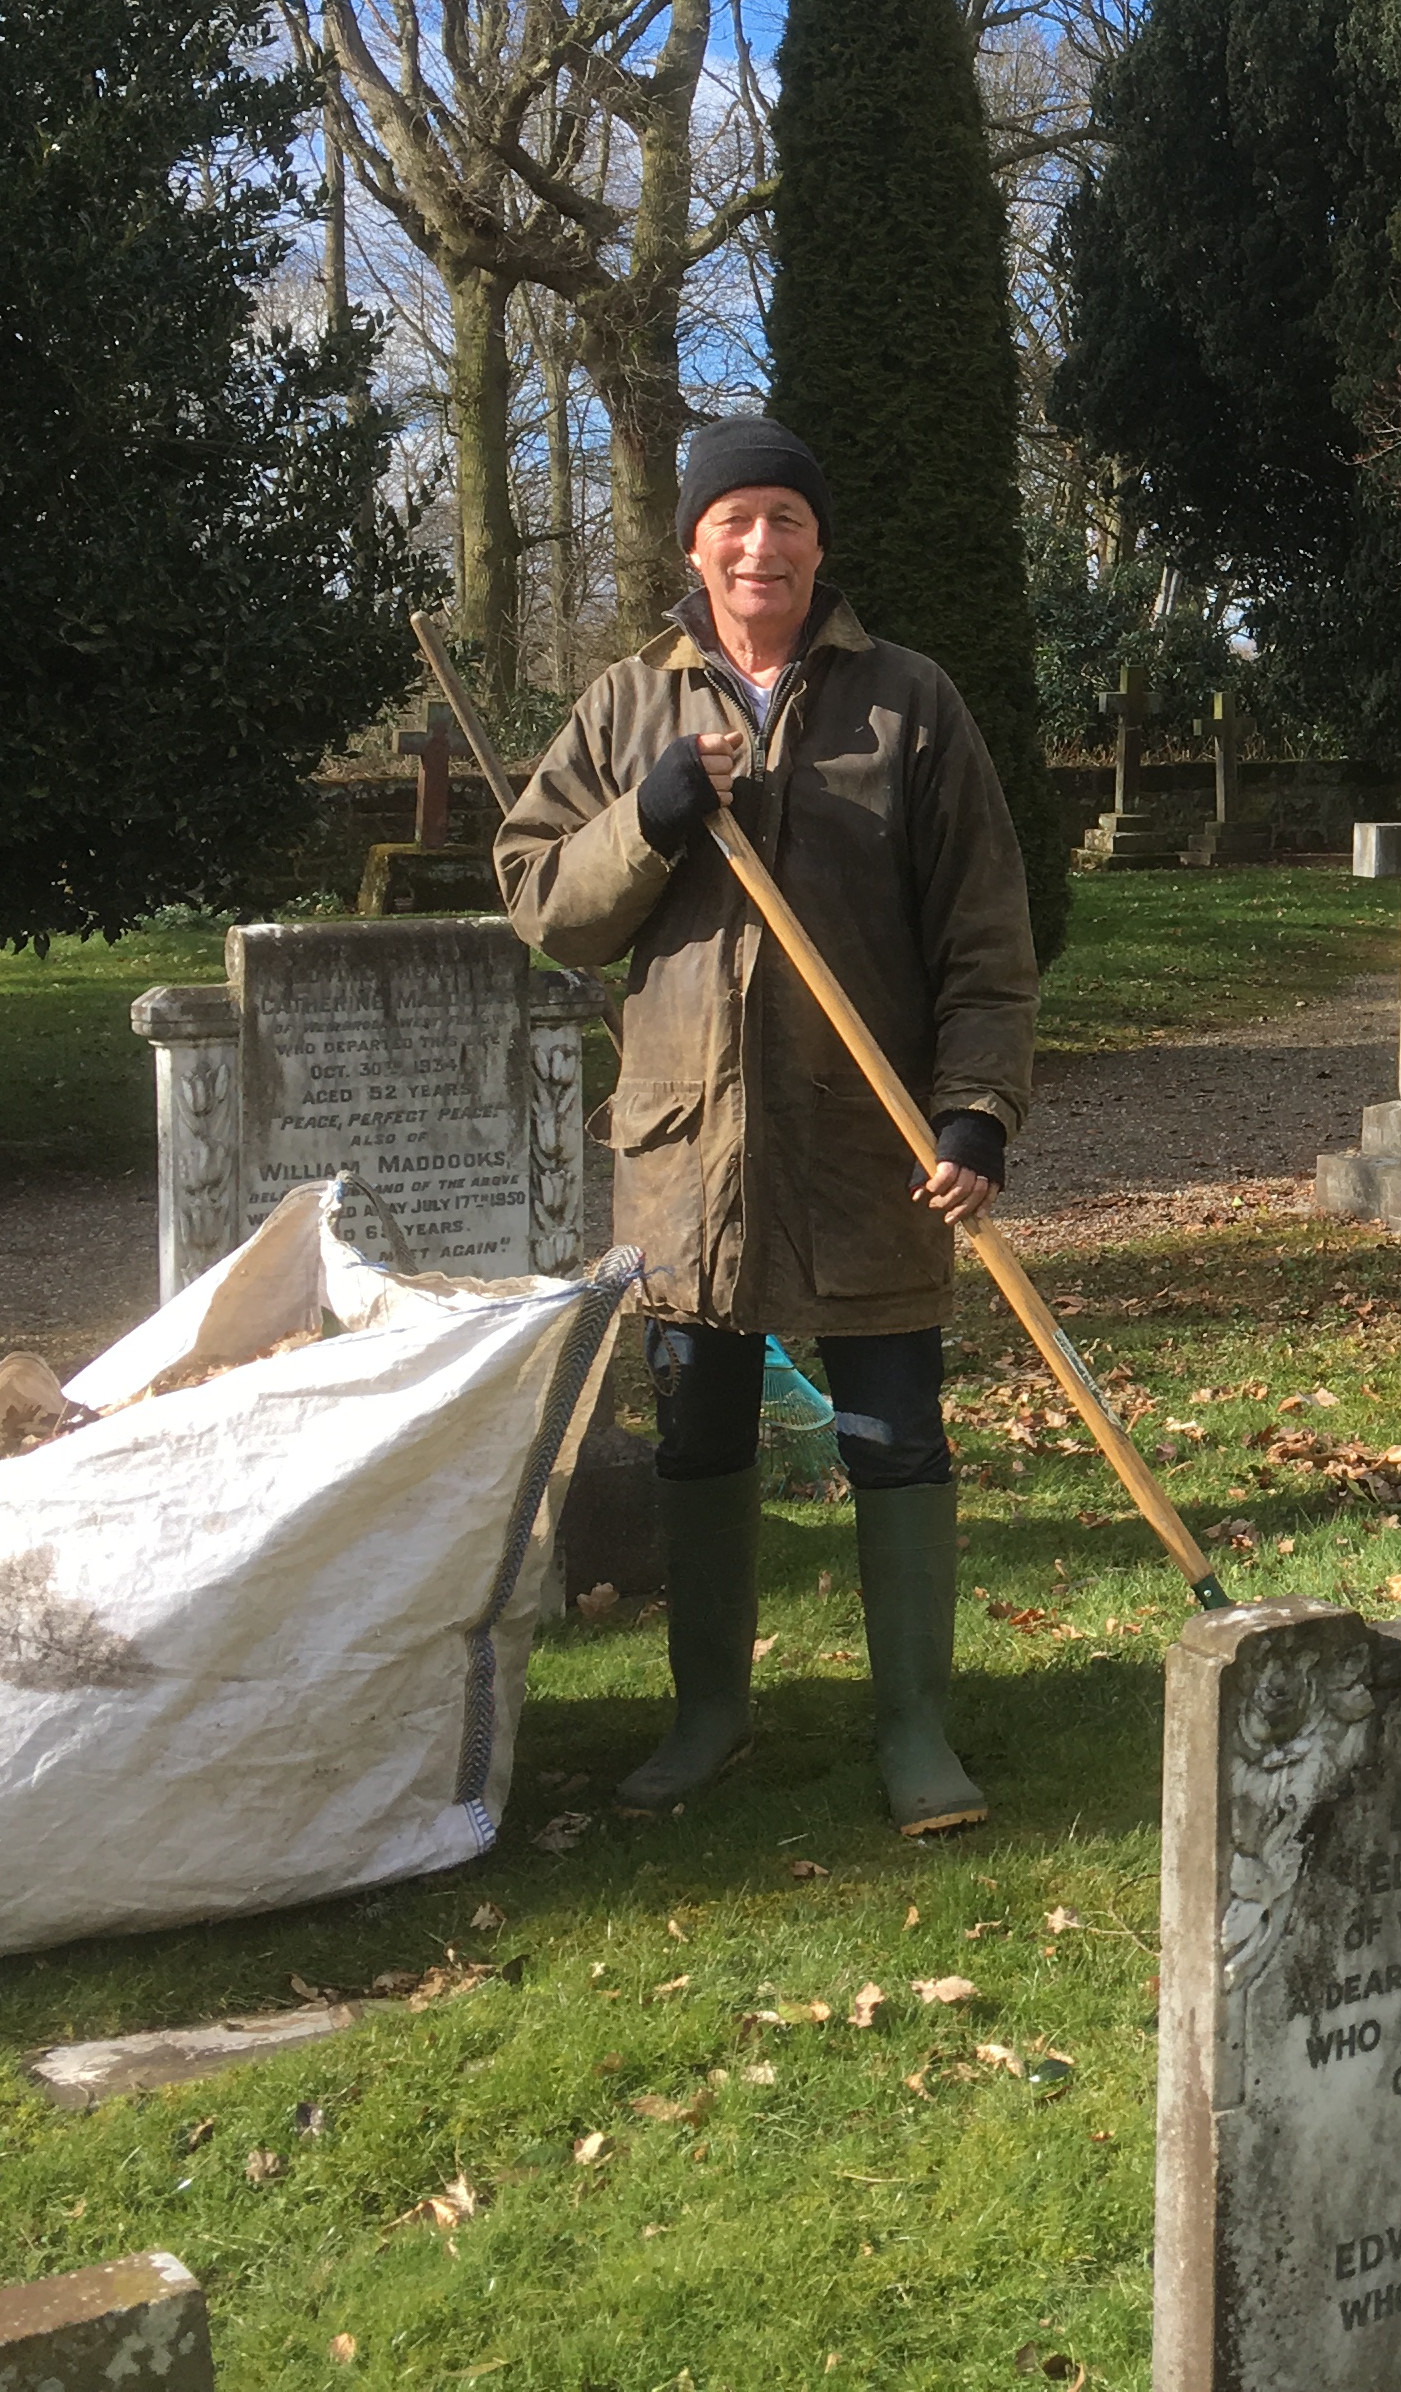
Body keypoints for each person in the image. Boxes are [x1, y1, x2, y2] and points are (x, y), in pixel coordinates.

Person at [496, 415, 1036, 1834]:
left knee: (895, 1436)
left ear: (818, 543)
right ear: (694, 545)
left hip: (871, 1147)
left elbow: (986, 938)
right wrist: (651, 817)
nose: (760, 544)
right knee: (700, 1439)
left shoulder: (908, 703)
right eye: (733, 519)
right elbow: (544, 902)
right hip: (688, 1159)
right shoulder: (628, 706)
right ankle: (708, 1715)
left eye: (786, 518)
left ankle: (915, 1726)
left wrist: (975, 1112)